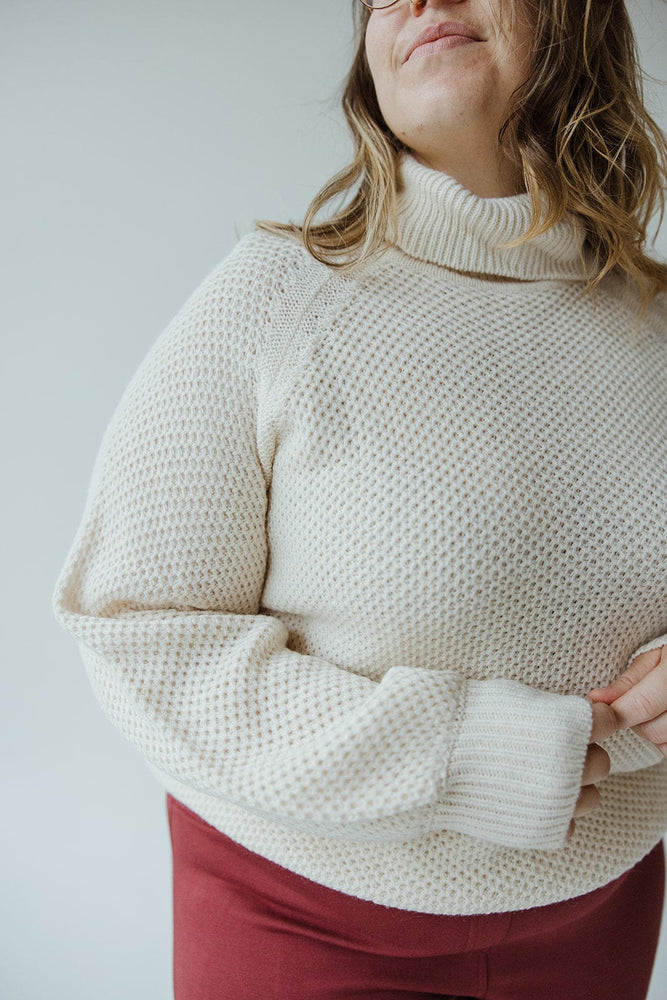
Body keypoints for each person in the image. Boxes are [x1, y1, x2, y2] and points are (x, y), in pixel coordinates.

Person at [51, 0, 667, 997]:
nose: (415, 2)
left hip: (600, 904)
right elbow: (135, 630)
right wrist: (463, 753)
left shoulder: (657, 328)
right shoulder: (274, 299)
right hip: (299, 910)